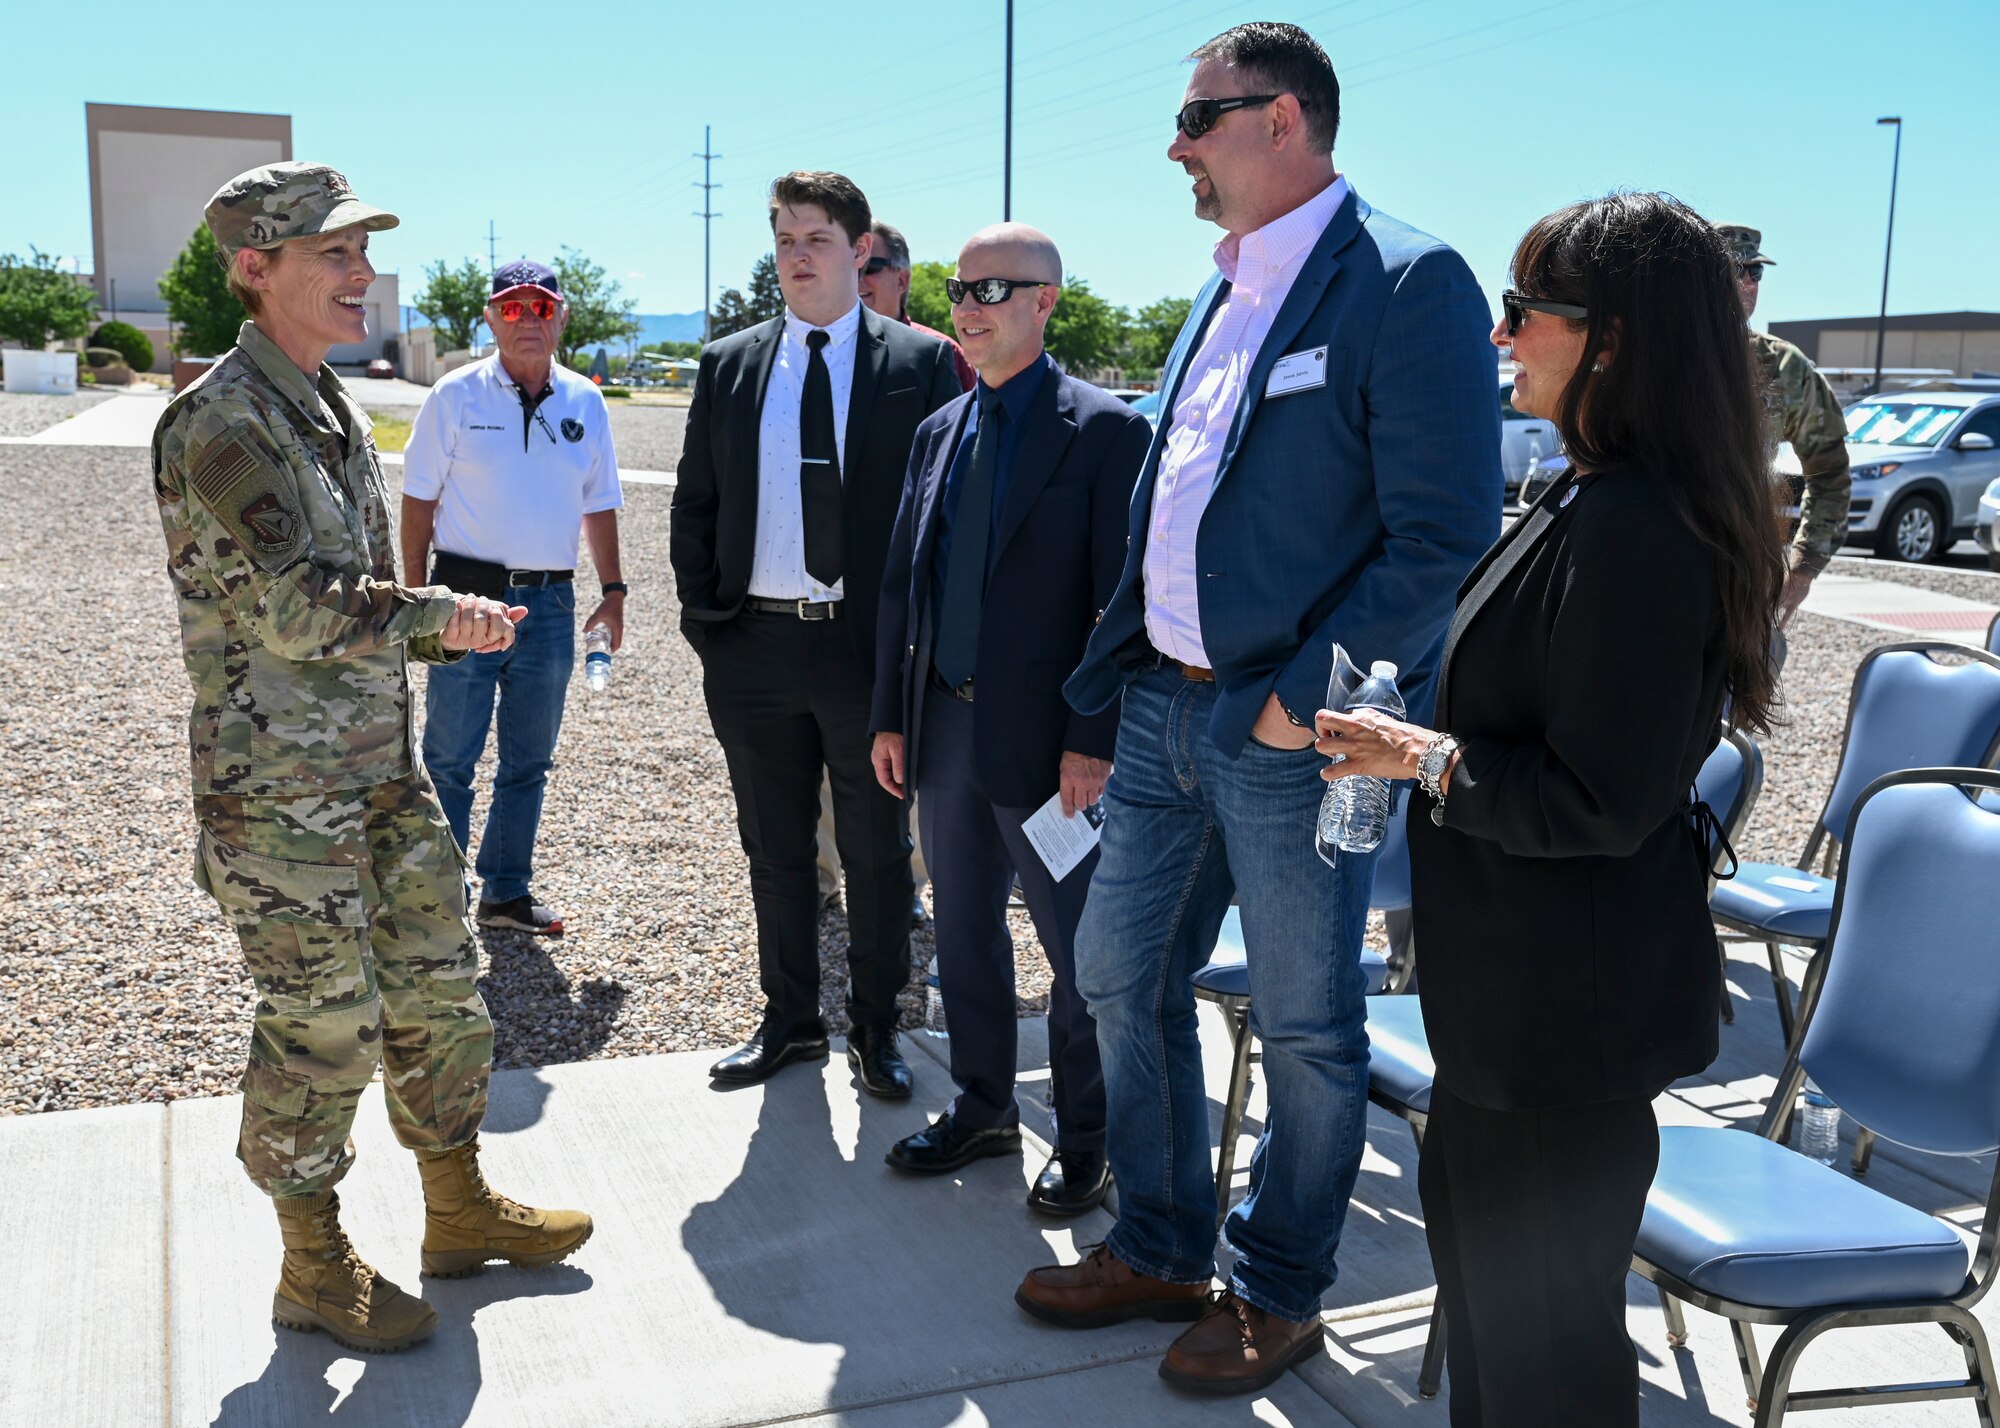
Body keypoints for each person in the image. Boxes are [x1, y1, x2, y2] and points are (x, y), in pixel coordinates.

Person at [1013, 22, 1500, 1394]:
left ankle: (1276, 1290)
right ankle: (1164, 1246)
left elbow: (1442, 535)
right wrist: (1106, 696)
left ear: (1285, 117)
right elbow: (1169, 514)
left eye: (1198, 118)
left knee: (1304, 1026)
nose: (1176, 146)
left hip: (1294, 734)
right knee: (1116, 973)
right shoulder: (1222, 292)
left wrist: (1297, 704)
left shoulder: (1405, 283)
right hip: (1164, 714)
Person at [1315, 193, 1786, 1425]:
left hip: (1554, 1043)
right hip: (1506, 1026)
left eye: (1523, 313)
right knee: (1502, 1365)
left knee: (1545, 1383)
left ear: (1614, 340)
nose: (1499, 337)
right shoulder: (1589, 495)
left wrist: (1415, 759)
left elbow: (1594, 800)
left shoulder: (1641, 530)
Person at [152, 162, 590, 1355]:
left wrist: (426, 614)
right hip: (277, 793)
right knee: (323, 1019)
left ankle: (456, 1210)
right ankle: (310, 1262)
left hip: (375, 768)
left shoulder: (324, 397)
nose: (361, 275)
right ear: (256, 269)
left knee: (441, 985)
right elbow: (292, 607)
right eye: (331, 255)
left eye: (361, 252)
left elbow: (349, 583)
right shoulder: (221, 423)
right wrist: (433, 618)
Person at [869, 223, 1152, 1214]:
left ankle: (1087, 1138)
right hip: (942, 732)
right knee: (963, 933)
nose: (967, 307)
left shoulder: (1105, 430)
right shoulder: (938, 431)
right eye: (957, 289)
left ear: (1045, 303)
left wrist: (1094, 739)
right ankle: (985, 1106)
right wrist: (890, 717)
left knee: (1078, 954)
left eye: (992, 289)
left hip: (1051, 747)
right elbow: (904, 591)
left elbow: (1123, 603)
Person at [671, 171, 961, 1097]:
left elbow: (943, 520)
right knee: (776, 847)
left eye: (818, 239)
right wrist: (709, 626)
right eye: (786, 239)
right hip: (754, 645)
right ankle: (790, 1021)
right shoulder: (731, 363)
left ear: (858, 251)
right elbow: (696, 504)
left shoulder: (916, 364)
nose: (799, 256)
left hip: (866, 654)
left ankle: (877, 1029)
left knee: (877, 852)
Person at [401, 259, 626, 936]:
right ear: (492, 317)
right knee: (449, 758)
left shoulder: (586, 400)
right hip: (466, 600)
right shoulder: (454, 395)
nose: (527, 321)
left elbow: (602, 505)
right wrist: (417, 600)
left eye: (540, 308)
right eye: (512, 308)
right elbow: (417, 503)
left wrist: (612, 593)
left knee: (528, 761)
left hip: (552, 608)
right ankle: (437, 903)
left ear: (561, 317)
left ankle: (505, 892)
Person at [1718, 224, 1852, 621]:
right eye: (1734, 271)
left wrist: (1805, 565)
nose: (1748, 282)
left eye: (1755, 273)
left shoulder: (1782, 365)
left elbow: (1831, 470)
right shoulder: (1650, 356)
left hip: (1739, 572)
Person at [859, 220, 977, 392]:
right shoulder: (820, 348)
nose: (855, 278)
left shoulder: (944, 353)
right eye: (847, 268)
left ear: (901, 281)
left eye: (869, 267)